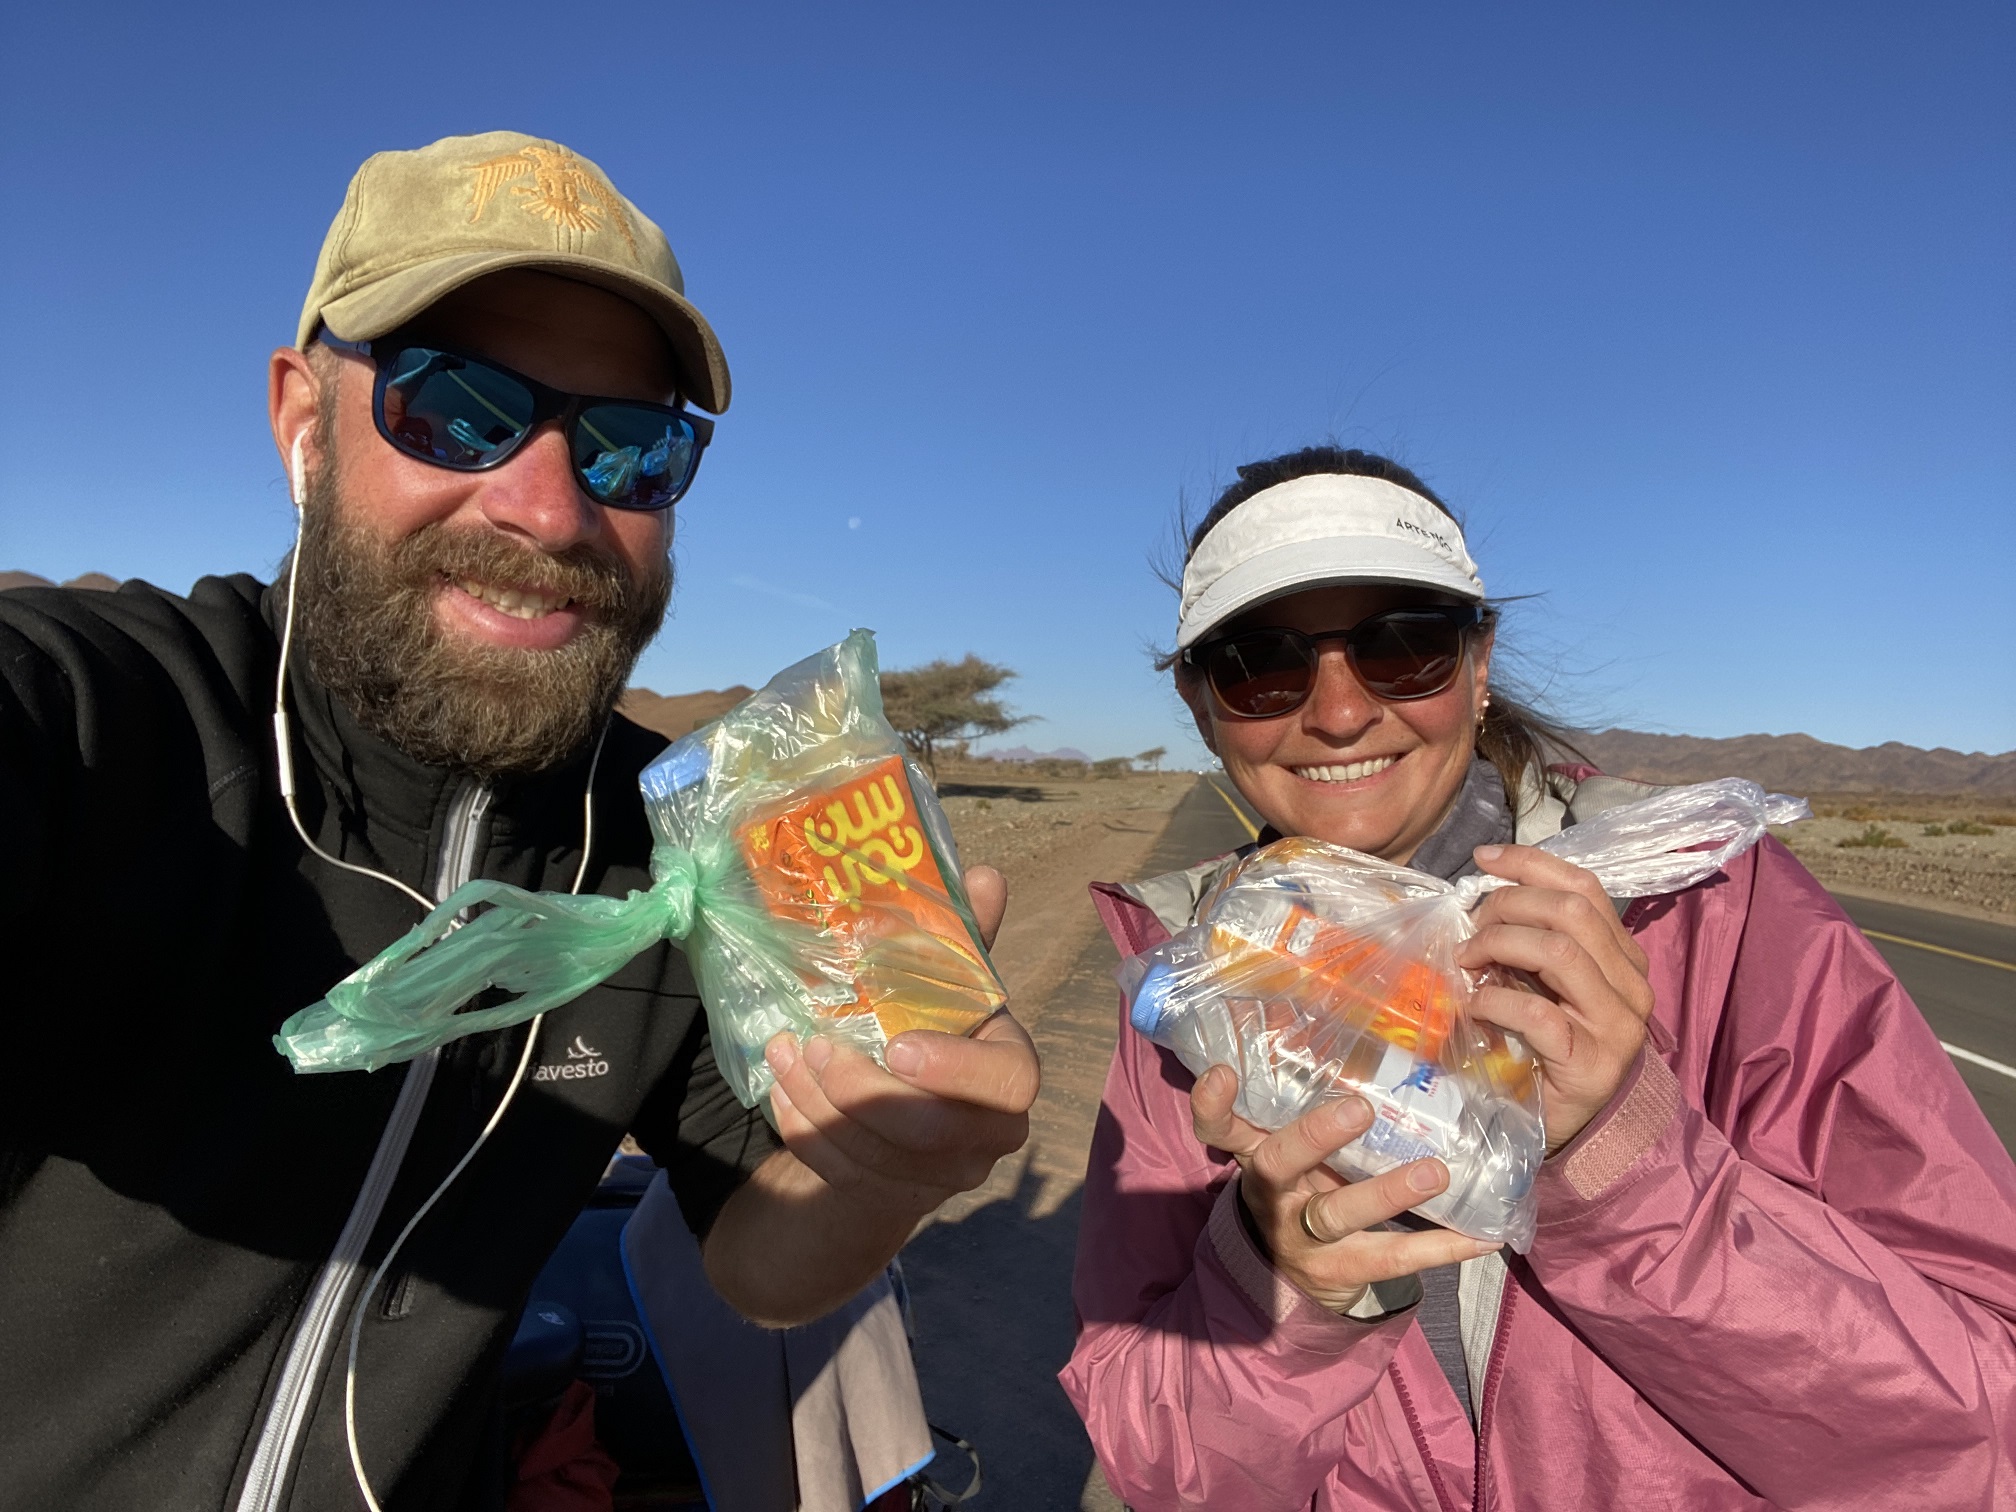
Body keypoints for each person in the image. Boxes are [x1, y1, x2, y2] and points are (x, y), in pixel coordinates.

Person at [0, 131, 1038, 1512]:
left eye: (630, 447)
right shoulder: (119, 717)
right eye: (455, 407)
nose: (550, 510)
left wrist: (885, 1171)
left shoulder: (684, 844)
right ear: (303, 421)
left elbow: (754, 1255)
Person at [1061, 446, 2016, 1510]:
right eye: (1259, 664)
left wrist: (1626, 1163)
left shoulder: (1701, 907)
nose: (1336, 712)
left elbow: (1975, 1439)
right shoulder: (1188, 988)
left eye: (1404, 645)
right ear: (1200, 704)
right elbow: (1160, 1469)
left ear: (1476, 669)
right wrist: (1281, 1288)